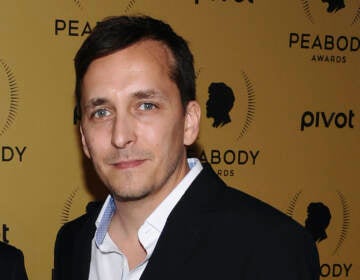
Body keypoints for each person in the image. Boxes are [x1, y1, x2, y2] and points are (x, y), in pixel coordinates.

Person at [53, 15, 320, 280]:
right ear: (84, 138)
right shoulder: (72, 243)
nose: (120, 136)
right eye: (101, 112)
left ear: (189, 122)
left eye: (146, 106)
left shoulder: (271, 249)